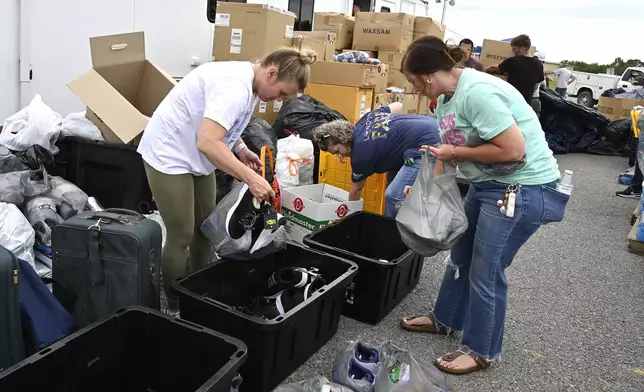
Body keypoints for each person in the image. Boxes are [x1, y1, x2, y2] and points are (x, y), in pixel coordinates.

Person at [399, 36, 568, 375]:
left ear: (430, 74)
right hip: (489, 183)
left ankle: (481, 351)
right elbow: (449, 150)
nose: (416, 90)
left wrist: (456, 154)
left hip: (522, 188)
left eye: (415, 82)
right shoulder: (446, 99)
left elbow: (513, 150)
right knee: (460, 254)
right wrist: (424, 189)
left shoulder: (477, 93)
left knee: (486, 270)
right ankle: (446, 318)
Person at [137, 47, 316, 315]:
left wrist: (240, 148)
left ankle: (198, 291)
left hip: (197, 153)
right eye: (280, 93)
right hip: (169, 152)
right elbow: (208, 141)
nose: (277, 100)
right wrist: (251, 178)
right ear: (271, 73)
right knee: (182, 234)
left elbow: (226, 123)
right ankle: (174, 306)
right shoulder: (234, 86)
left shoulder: (251, 84)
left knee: (207, 227)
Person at [313, 103, 440, 218]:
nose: (340, 157)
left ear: (342, 139)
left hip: (427, 145)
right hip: (432, 125)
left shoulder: (360, 155)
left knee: (393, 195)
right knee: (392, 183)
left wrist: (347, 219)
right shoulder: (365, 120)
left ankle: (398, 234)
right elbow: (398, 105)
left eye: (337, 151)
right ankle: (389, 221)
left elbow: (356, 191)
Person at [485, 34, 544, 105]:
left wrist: (480, 69)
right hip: (526, 104)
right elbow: (537, 84)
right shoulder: (538, 64)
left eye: (514, 49)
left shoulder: (513, 61)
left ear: (522, 49)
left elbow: (493, 68)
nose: (513, 51)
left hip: (511, 101)